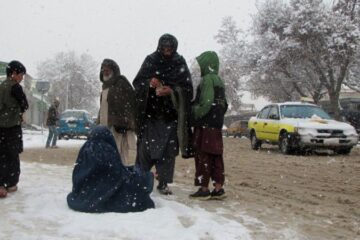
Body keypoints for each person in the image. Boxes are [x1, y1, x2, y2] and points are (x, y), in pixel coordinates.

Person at [133, 33, 194, 195]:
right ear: (160, 47)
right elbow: (137, 83)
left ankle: (164, 182)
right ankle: (140, 178)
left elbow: (188, 90)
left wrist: (172, 91)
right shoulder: (151, 60)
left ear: (174, 48)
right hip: (150, 116)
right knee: (145, 150)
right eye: (164, 48)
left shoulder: (179, 63)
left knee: (167, 152)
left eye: (170, 48)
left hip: (170, 117)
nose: (167, 51)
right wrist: (149, 84)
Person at [67, 125, 155, 213]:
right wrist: (147, 176)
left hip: (85, 194)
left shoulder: (86, 149)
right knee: (137, 186)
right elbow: (117, 174)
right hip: (108, 193)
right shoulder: (107, 150)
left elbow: (79, 174)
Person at [189, 51, 228, 200]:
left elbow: (206, 102)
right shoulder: (219, 80)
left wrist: (194, 112)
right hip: (216, 125)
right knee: (216, 156)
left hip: (205, 125)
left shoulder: (206, 79)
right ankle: (218, 187)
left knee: (203, 155)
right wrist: (218, 116)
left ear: (206, 65)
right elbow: (224, 104)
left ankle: (203, 188)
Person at [97, 59, 136, 165]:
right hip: (105, 127)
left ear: (113, 70)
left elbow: (131, 103)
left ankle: (120, 176)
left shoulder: (121, 82)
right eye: (103, 69)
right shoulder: (105, 87)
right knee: (107, 153)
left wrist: (125, 122)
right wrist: (98, 124)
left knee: (119, 153)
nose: (105, 71)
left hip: (119, 127)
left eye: (107, 69)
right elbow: (103, 107)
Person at [0, 60, 28, 198]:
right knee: (12, 155)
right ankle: (10, 184)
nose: (21, 78)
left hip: (1, 129)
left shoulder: (1, 86)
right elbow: (25, 104)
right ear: (14, 73)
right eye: (21, 75)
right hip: (12, 128)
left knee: (1, 155)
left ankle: (0, 184)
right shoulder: (15, 87)